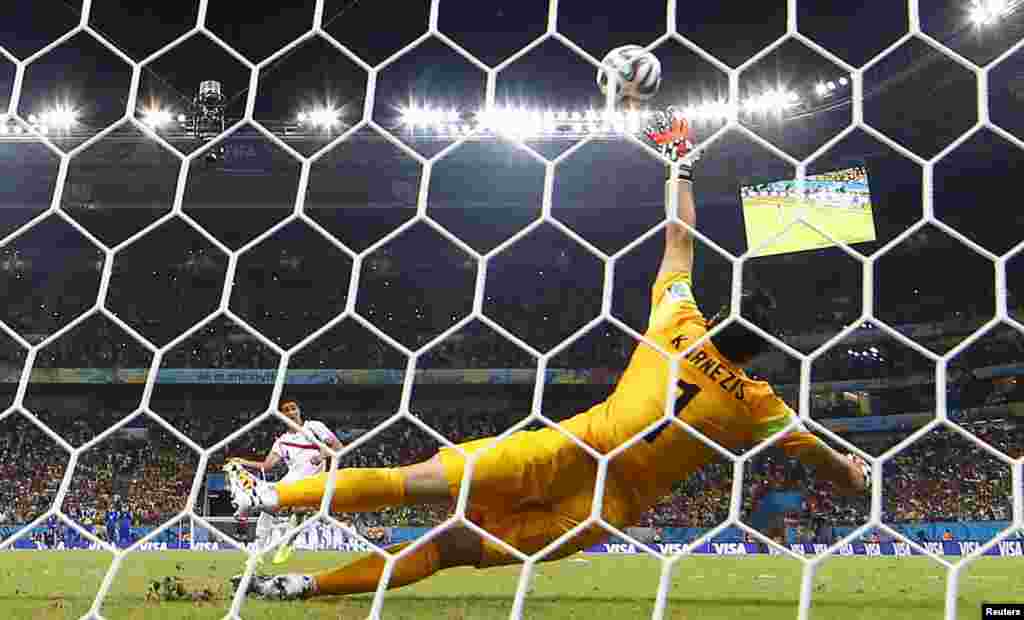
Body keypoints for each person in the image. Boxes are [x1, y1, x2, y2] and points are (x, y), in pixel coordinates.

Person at [227, 106, 871, 601]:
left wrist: (680, 160)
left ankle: (271, 500)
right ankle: (305, 588)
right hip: (600, 508)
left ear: (719, 323)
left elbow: (680, 239)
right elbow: (835, 472)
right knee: (451, 548)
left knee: (414, 481)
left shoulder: (678, 322)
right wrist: (853, 471)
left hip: (565, 450)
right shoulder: (759, 405)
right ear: (760, 355)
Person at [226, 398, 343, 566]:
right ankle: (257, 552)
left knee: (299, 510)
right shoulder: (281, 441)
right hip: (293, 479)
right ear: (282, 416)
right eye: (286, 410)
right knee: (268, 507)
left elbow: (338, 446)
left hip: (316, 480)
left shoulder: (314, 427)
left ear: (299, 411)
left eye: (293, 408)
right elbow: (266, 466)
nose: (290, 412)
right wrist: (241, 461)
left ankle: (288, 543)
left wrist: (322, 456)